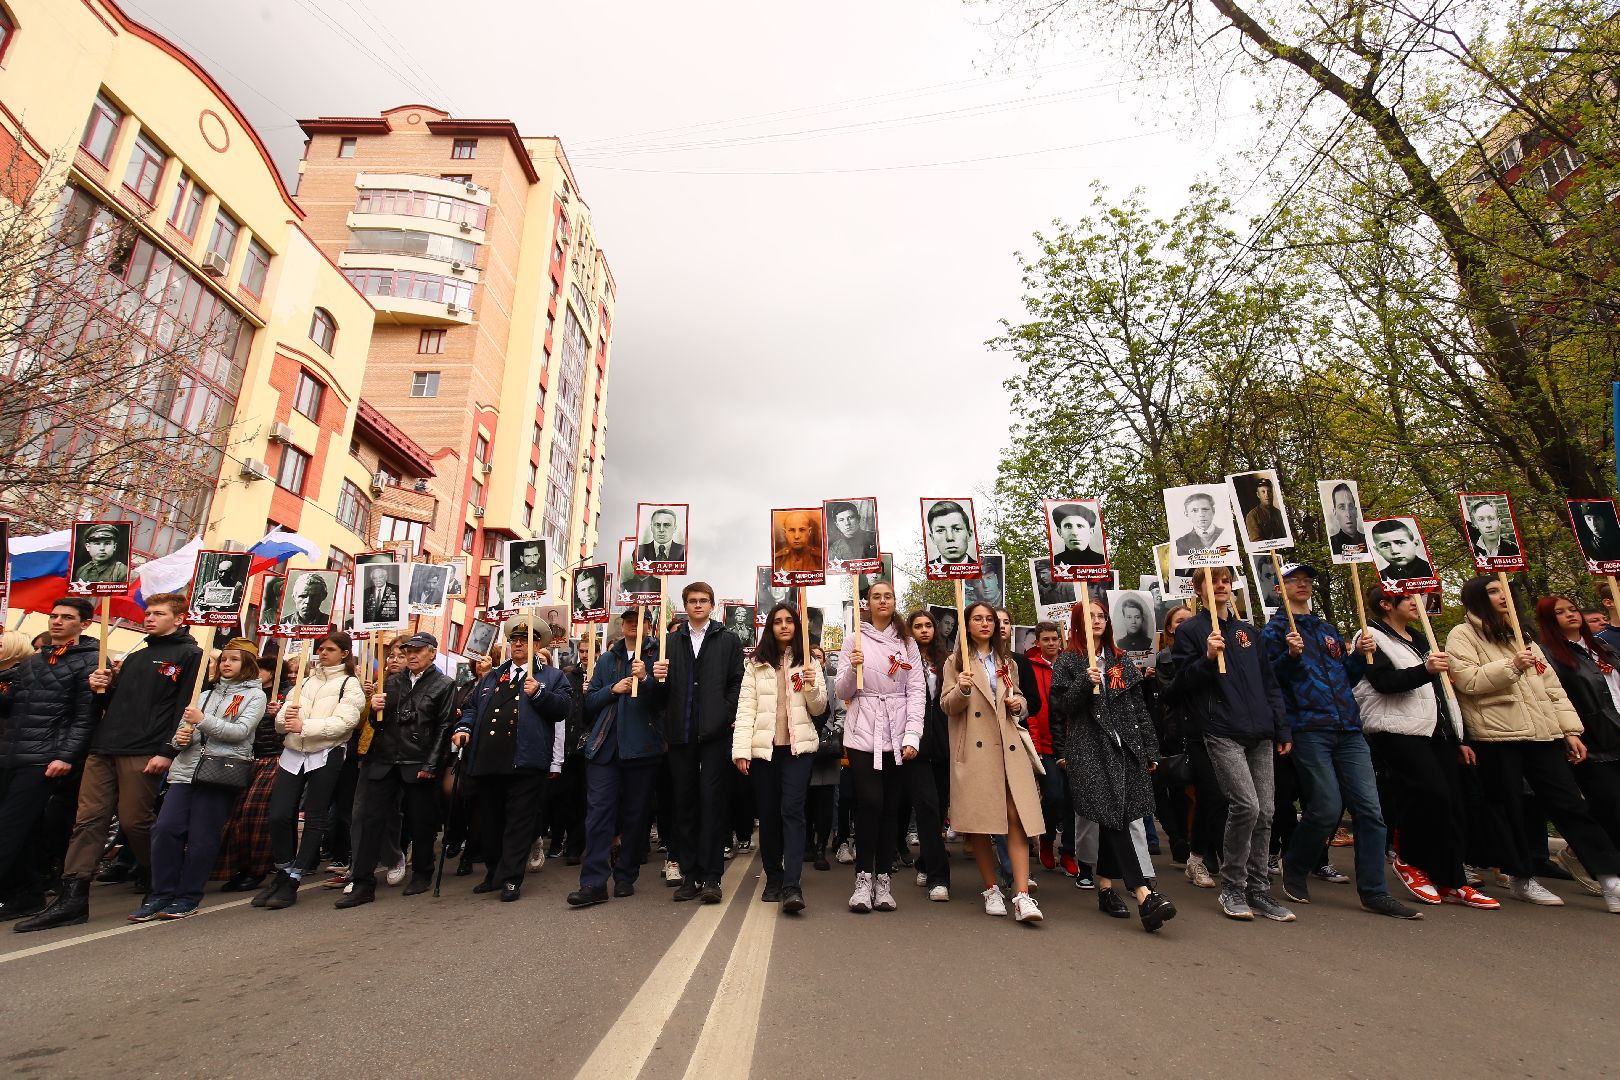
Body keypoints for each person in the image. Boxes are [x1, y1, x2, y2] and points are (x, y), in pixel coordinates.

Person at [18, 593, 200, 933]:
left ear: (179, 618)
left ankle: (156, 876)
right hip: (104, 748)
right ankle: (73, 897)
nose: (149, 618)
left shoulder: (191, 655)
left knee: (134, 822)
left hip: (145, 750)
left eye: (158, 613)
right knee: (87, 821)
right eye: (148, 612)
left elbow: (184, 709)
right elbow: (112, 703)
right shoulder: (135, 657)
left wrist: (167, 749)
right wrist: (100, 686)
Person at [1447, 577, 1620, 912]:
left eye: (1505, 590)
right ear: (1476, 599)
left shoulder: (1521, 635)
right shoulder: (1462, 635)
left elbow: (1551, 687)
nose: (1503, 595)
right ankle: (1521, 877)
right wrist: (1511, 665)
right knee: (1509, 806)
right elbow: (1467, 682)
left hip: (1543, 735)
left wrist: (1569, 730)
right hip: (1497, 736)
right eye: (1494, 591)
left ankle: (1610, 877)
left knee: (1570, 803)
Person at [1262, 564, 1420, 919]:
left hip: (1349, 728)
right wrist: (1289, 656)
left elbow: (1346, 679)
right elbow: (1269, 680)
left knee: (1370, 811)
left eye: (1306, 580)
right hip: (1308, 727)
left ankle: (1374, 891)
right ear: (1277, 590)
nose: (1302, 585)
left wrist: (1358, 657)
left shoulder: (1327, 630)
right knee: (1326, 807)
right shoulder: (1274, 631)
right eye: (1292, 581)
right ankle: (1296, 863)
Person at [1356, 586, 1498, 908]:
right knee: (1429, 794)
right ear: (1386, 604)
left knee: (1452, 803)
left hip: (1435, 731)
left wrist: (1456, 737)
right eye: (1408, 599)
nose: (1416, 603)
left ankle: (1452, 880)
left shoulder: (1421, 639)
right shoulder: (1370, 638)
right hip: (1396, 729)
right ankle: (1409, 860)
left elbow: (1439, 692)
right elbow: (1383, 684)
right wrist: (1426, 669)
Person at [1166, 566, 1291, 922]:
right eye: (1213, 581)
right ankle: (1233, 887)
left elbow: (1270, 684)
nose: (1221, 586)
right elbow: (1176, 689)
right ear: (1199, 589)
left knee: (1266, 812)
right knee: (1246, 806)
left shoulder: (1249, 633)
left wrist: (1281, 729)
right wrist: (1205, 658)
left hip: (1260, 733)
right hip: (1221, 730)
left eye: (1225, 581)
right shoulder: (1191, 631)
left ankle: (1259, 889)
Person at [1051, 599, 1177, 931]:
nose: (1097, 620)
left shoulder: (1121, 661)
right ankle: (1143, 894)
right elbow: (1062, 706)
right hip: (1089, 752)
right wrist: (1084, 682)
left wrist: (1150, 750)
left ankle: (1105, 888)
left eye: (1101, 616)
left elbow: (1138, 709)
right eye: (1090, 616)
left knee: (1118, 816)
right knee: (1112, 814)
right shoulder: (1068, 661)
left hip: (1126, 751)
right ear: (1078, 622)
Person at [132, 639, 265, 921]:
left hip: (219, 772)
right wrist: (180, 739)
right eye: (223, 659)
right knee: (165, 829)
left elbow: (240, 731)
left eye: (234, 659)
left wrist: (201, 721)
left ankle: (188, 895)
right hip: (185, 771)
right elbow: (185, 731)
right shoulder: (202, 694)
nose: (226, 664)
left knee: (202, 837)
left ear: (247, 665)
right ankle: (160, 893)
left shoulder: (255, 696)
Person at [453, 621, 571, 902]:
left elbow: (564, 708)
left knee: (518, 822)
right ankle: (494, 872)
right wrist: (464, 728)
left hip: (526, 761)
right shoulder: (493, 676)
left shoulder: (551, 676)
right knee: (490, 822)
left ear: (537, 646)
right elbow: (472, 708)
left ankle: (511, 878)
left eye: (525, 639)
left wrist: (540, 693)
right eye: (515, 639)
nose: (518, 644)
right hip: (489, 759)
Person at [941, 601, 1043, 921]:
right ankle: (991, 887)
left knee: (1016, 817)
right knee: (982, 822)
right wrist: (962, 689)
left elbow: (1021, 699)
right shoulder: (956, 662)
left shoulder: (1007, 662)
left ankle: (1022, 894)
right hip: (974, 749)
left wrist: (1018, 703)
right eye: (978, 619)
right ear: (967, 624)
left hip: (1008, 747)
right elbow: (947, 704)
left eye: (990, 619)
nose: (986, 624)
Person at [339, 632, 455, 908]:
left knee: (421, 820)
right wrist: (375, 710)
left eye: (418, 651)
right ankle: (363, 880)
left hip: (417, 760)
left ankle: (423, 871)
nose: (412, 655)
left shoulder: (444, 684)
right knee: (371, 820)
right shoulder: (390, 682)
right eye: (408, 651)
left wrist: (431, 764)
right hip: (384, 758)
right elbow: (377, 726)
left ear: (432, 653)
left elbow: (444, 726)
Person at [647, 582, 745, 904]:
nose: (698, 605)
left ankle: (712, 876)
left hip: (715, 735)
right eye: (692, 601)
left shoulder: (727, 640)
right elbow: (656, 699)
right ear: (685, 606)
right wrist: (656, 678)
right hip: (681, 734)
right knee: (683, 804)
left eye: (704, 601)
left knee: (713, 803)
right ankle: (690, 874)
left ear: (712, 605)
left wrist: (723, 712)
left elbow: (736, 683)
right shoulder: (670, 642)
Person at [0, 602, 96, 922]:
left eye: (66, 617)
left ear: (84, 623)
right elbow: (11, 707)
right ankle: (26, 894)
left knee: (9, 827)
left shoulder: (92, 662)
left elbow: (85, 718)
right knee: (21, 831)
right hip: (11, 754)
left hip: (44, 759)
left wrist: (66, 756)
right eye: (54, 616)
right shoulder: (32, 662)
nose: (57, 622)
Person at [255, 634, 364, 910]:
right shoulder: (304, 681)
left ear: (344, 653)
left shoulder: (350, 684)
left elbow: (345, 722)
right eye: (321, 648)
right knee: (279, 814)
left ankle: (294, 876)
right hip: (293, 753)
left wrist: (305, 726)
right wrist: (283, 719)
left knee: (315, 815)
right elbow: (283, 719)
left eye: (330, 649)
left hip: (326, 754)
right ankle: (283, 867)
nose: (323, 653)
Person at [731, 604, 825, 913]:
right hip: (765, 750)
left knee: (793, 812)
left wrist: (811, 684)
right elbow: (746, 707)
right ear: (770, 627)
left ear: (797, 627)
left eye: (789, 621)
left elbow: (819, 708)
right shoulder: (756, 664)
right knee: (769, 814)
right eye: (777, 622)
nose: (784, 626)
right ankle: (774, 876)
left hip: (798, 751)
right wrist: (742, 750)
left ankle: (792, 885)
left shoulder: (808, 661)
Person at [838, 582, 925, 913]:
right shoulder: (853, 640)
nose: (883, 601)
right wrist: (852, 667)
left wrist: (913, 734)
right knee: (870, 802)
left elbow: (916, 689)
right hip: (863, 732)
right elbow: (843, 691)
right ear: (868, 603)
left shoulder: (907, 642)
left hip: (898, 732)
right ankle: (863, 878)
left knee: (891, 807)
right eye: (876, 596)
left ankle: (883, 881)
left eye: (888, 596)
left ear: (894, 601)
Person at [568, 609, 662, 907]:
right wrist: (613, 688)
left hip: (641, 747)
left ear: (649, 625)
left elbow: (664, 699)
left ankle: (625, 875)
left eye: (641, 620)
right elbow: (589, 702)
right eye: (629, 620)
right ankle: (593, 882)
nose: (634, 625)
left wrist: (646, 679)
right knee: (598, 815)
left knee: (635, 816)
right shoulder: (607, 659)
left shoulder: (660, 654)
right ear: (622, 625)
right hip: (604, 747)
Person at [1535, 595, 1620, 880]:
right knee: (1610, 803)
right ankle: (1597, 864)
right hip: (1591, 738)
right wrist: (1569, 732)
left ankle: (1576, 854)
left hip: (1618, 730)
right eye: (1560, 612)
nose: (1571, 614)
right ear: (1549, 620)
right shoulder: (1549, 654)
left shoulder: (1602, 646)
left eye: (1573, 609)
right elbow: (1556, 696)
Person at [214, 654, 285, 894]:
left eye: (262, 668)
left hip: (274, 757)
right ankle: (235, 867)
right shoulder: (237, 694)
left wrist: (281, 714)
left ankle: (256, 869)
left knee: (253, 813)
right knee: (233, 814)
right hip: (244, 758)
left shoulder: (284, 694)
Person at [905, 609, 952, 899]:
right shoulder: (905, 661)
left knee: (940, 810)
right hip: (917, 746)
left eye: (928, 626)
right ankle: (939, 878)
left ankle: (925, 860)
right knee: (927, 807)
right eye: (918, 626)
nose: (924, 630)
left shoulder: (948, 662)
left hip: (945, 745)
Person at [1021, 621, 1075, 877]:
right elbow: (1031, 709)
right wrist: (1034, 743)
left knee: (1074, 799)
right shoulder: (1030, 667)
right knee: (1054, 795)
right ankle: (1047, 839)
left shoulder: (1070, 664)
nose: (1051, 643)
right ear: (1038, 642)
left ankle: (1068, 852)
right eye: (1046, 639)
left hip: (1073, 742)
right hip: (1045, 744)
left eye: (1055, 639)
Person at [1173, 491, 1229, 557]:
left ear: (1213, 511)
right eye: (1195, 510)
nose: (1201, 514)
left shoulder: (1227, 535)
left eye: (1205, 509)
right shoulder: (1180, 544)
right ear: (1187, 514)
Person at [1466, 499, 1521, 563]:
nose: (1488, 525)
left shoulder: (1512, 548)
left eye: (1491, 518)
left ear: (1499, 521)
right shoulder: (1474, 550)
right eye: (1481, 519)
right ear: (1475, 524)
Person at [1050, 503, 1105, 567]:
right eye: (1068, 526)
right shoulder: (1053, 564)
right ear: (1060, 532)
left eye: (1080, 526)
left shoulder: (1102, 562)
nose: (1075, 533)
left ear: (1091, 532)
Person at [925, 500, 976, 567]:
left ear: (969, 534)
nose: (950, 537)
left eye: (957, 529)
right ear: (932, 538)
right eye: (940, 530)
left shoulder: (983, 568)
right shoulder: (927, 570)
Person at [772, 510, 823, 574]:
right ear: (785, 533)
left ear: (809, 532)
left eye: (802, 530)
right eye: (792, 530)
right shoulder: (777, 560)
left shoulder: (820, 559)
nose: (796, 536)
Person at [1327, 483, 1368, 557]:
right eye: (1342, 507)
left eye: (1351, 507)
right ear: (1335, 512)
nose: (1348, 514)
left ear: (1355, 511)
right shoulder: (1332, 543)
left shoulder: (1368, 541)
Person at [1241, 477, 1287, 542]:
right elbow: (1256, 541)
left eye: (1269, 491)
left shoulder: (1278, 513)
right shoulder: (1252, 515)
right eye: (1263, 492)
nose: (1267, 495)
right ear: (1258, 495)